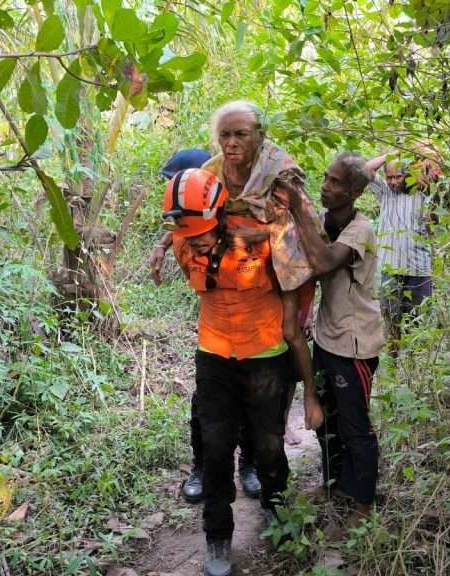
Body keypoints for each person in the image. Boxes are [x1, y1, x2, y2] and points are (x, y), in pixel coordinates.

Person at [161, 168, 321, 576]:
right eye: (186, 232)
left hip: (265, 352)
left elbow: (300, 271)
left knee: (268, 445)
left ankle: (275, 508)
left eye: (201, 230)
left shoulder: (261, 236)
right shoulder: (184, 242)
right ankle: (218, 537)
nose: (194, 238)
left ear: (218, 216)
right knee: (215, 450)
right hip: (213, 354)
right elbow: (192, 271)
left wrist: (296, 323)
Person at [148, 101, 322, 425]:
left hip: (278, 264)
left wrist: (265, 234)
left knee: (288, 336)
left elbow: (306, 225)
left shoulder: (280, 171)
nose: (231, 143)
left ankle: (298, 404)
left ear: (259, 135)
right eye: (225, 135)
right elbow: (191, 215)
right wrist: (162, 244)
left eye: (240, 134)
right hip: (233, 267)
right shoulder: (211, 171)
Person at [278, 153, 384, 525]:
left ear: (355, 191)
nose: (326, 186)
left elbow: (322, 261)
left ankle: (363, 502)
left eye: (336, 182)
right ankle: (335, 483)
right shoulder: (326, 222)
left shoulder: (361, 229)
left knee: (355, 425)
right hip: (327, 337)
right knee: (327, 421)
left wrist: (296, 207)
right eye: (325, 178)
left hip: (354, 343)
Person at [159, 149, 261, 504]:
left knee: (252, 403)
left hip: (257, 333)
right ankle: (201, 468)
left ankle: (249, 465)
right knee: (205, 406)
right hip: (215, 335)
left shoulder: (248, 230)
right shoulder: (183, 240)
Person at [366, 146, 440, 345]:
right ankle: (395, 366)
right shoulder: (385, 194)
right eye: (389, 177)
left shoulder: (422, 192)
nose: (393, 182)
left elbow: (437, 167)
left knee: (419, 323)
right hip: (391, 268)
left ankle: (417, 368)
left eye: (398, 177)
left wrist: (419, 155)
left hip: (419, 270)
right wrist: (390, 155)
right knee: (391, 321)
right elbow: (365, 170)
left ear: (407, 174)